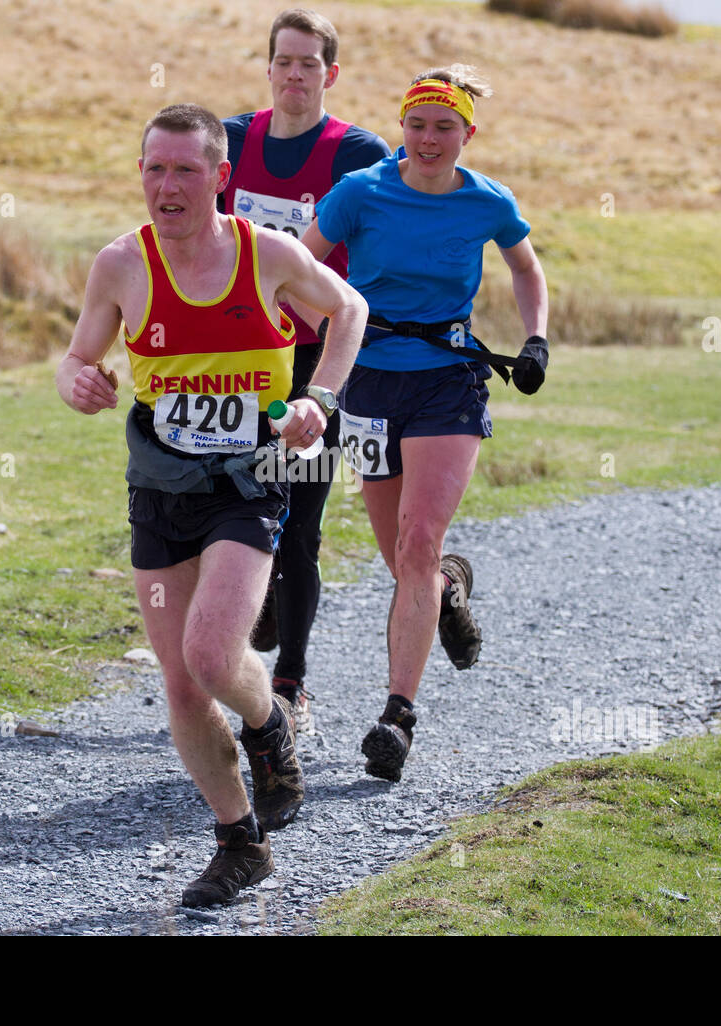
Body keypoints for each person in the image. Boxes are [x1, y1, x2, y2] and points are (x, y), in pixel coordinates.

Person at [57, 103, 366, 906]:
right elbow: (77, 356)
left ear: (221, 178)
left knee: (208, 650)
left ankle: (269, 726)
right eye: (155, 169)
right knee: (182, 683)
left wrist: (320, 400)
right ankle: (240, 842)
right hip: (160, 488)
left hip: (249, 480)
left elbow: (349, 309)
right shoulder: (121, 265)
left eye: (186, 170)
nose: (168, 186)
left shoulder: (268, 254)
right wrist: (79, 383)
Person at [301, 66, 549, 782]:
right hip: (370, 382)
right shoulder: (362, 192)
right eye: (418, 124)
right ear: (401, 127)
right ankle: (449, 589)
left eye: (446, 127)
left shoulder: (487, 201)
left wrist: (535, 340)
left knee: (416, 544)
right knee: (403, 563)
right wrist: (325, 336)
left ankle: (396, 718)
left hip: (448, 379)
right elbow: (300, 264)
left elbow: (527, 271)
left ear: (469, 133)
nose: (429, 139)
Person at [219, 8, 390, 735]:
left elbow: (379, 252)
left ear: (330, 73)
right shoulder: (229, 141)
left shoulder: (356, 153)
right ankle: (248, 624)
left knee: (302, 524)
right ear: (268, 67)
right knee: (229, 508)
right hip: (240, 359)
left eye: (309, 64)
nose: (295, 74)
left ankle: (292, 682)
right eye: (284, 61)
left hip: (320, 360)